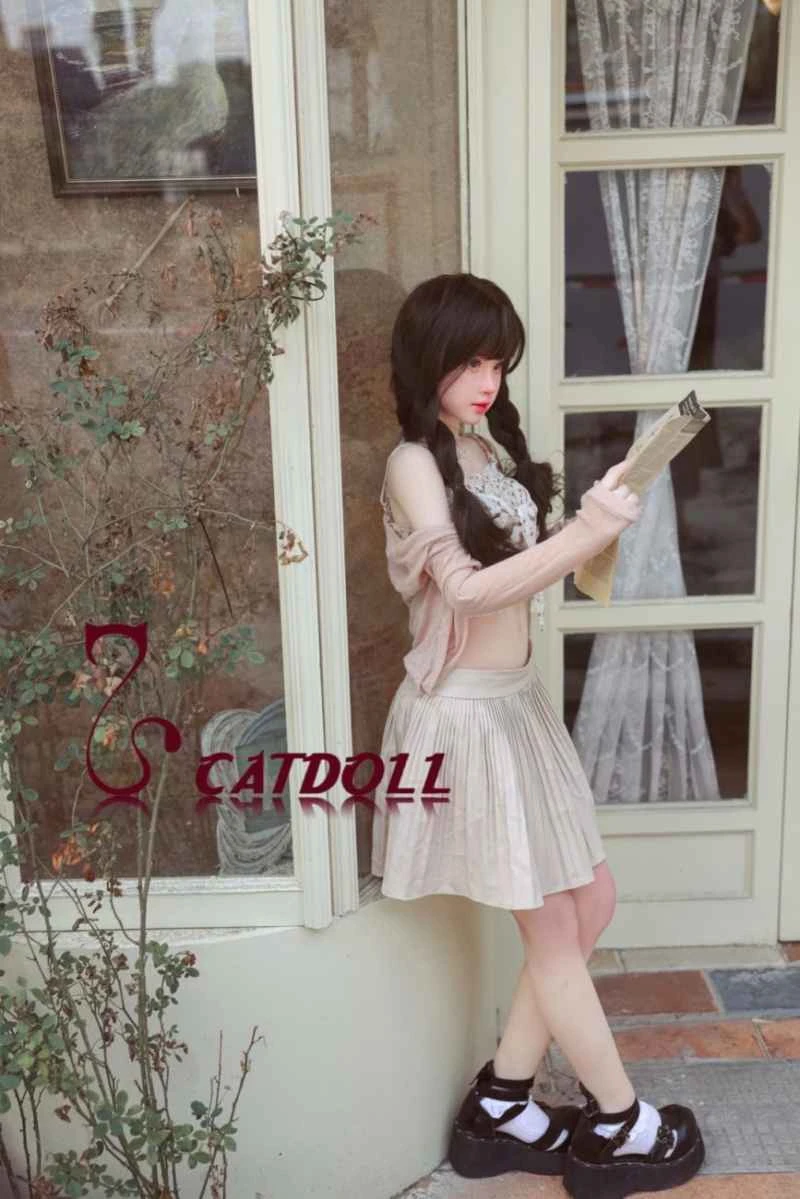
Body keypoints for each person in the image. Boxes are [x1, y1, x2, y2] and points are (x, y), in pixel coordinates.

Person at [370, 273, 705, 1199]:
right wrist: (582, 533)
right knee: (557, 929)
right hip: (465, 719)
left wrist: (593, 520)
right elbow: (468, 589)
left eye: (497, 363)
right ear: (428, 360)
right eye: (470, 362)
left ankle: (503, 1101)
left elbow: (523, 562)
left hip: (517, 706)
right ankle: (620, 1122)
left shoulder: (484, 444)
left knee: (591, 900)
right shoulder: (412, 462)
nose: (488, 380)